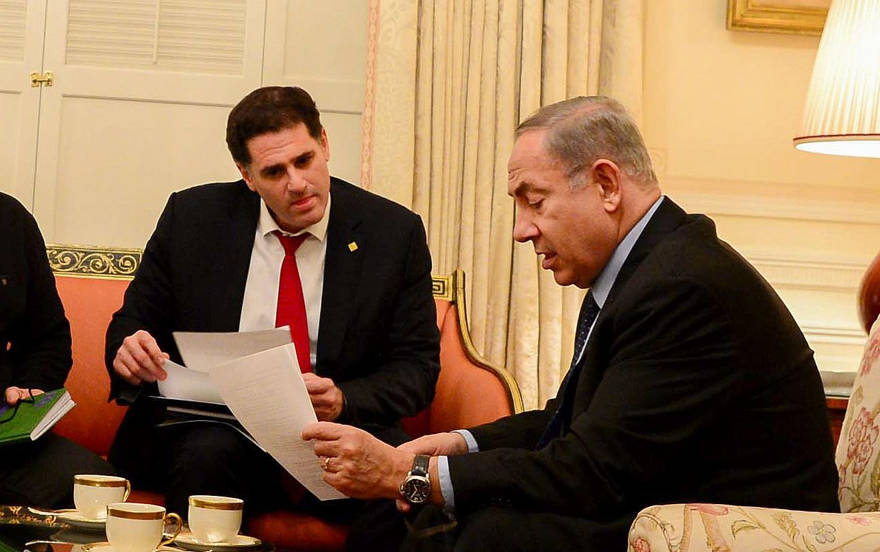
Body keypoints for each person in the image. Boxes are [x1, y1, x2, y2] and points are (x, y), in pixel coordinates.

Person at [301, 96, 840, 551]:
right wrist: (459, 444)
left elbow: (592, 470)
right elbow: (573, 421)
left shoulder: (683, 289)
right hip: (666, 503)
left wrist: (408, 476)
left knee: (484, 533)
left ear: (606, 185)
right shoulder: (646, 267)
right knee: (431, 520)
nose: (521, 230)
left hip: (740, 532)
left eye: (534, 202)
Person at [104, 86, 440, 542]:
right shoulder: (193, 219)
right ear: (246, 175)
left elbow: (417, 369)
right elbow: (132, 323)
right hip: (219, 432)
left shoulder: (392, 233)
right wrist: (130, 351)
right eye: (274, 171)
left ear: (324, 144)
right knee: (205, 456)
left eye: (304, 160)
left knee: (400, 481)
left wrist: (343, 397)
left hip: (336, 431)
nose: (297, 183)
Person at [0, 192, 116, 508]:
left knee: (97, 485)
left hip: (4, 439)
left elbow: (48, 339)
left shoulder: (9, 218)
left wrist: (30, 387)